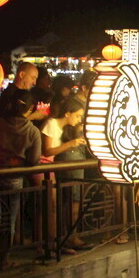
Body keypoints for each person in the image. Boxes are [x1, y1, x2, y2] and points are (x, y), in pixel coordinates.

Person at [0, 89, 42, 273]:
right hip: (14, 179)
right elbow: (34, 160)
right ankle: (5, 260)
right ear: (29, 108)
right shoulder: (32, 130)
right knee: (9, 220)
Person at [41, 97, 91, 254]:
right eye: (77, 116)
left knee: (63, 203)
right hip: (44, 168)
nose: (78, 119)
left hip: (54, 169)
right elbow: (47, 151)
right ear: (67, 114)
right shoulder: (51, 124)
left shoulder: (68, 128)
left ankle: (63, 240)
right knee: (53, 206)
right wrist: (70, 144)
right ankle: (52, 243)